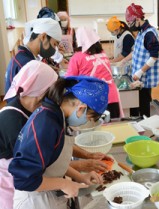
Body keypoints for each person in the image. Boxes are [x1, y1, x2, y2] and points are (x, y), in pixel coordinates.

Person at [8, 76, 109, 209]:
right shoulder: (47, 125)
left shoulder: (57, 117)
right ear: (81, 108)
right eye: (88, 118)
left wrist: (80, 177)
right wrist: (64, 184)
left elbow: (53, 162)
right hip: (34, 201)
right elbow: (24, 180)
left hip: (47, 195)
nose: (85, 122)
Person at [0, 60, 58, 209]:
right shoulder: (12, 121)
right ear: (41, 94)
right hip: (8, 187)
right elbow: (30, 172)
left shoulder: (27, 108)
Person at [66, 26, 121, 118]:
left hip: (93, 100)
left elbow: (69, 80)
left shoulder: (77, 57)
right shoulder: (103, 53)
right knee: (113, 127)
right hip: (111, 96)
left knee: (95, 130)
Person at [5, 18, 62, 95]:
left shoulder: (25, 56)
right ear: (43, 37)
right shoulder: (26, 63)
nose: (55, 49)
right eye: (54, 44)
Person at [122, 3, 159, 117]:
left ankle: (145, 125)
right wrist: (123, 61)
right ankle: (137, 122)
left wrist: (140, 72)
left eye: (130, 23)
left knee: (144, 104)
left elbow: (154, 57)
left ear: (138, 19)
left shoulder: (150, 34)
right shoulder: (141, 32)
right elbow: (136, 51)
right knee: (136, 101)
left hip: (145, 77)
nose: (130, 26)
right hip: (138, 77)